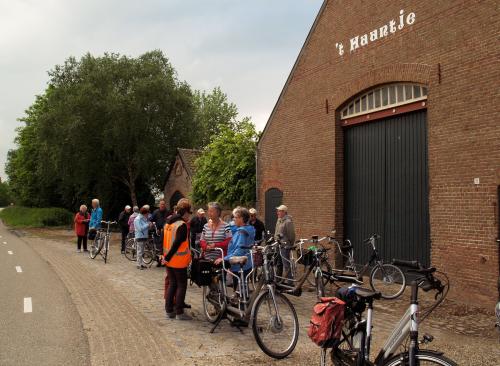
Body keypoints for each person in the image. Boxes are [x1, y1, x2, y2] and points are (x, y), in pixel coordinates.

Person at [163, 198, 193, 320]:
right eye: (189, 212)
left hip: (168, 260)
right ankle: (180, 312)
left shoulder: (168, 223)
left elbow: (164, 241)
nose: (189, 215)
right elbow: (176, 244)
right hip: (178, 261)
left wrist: (165, 257)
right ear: (185, 211)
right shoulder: (181, 225)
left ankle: (169, 310)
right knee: (181, 285)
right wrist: (168, 257)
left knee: (172, 284)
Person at [214, 207, 255, 290]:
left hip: (240, 265)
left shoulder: (242, 232)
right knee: (243, 289)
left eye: (235, 217)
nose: (234, 219)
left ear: (242, 218)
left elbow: (239, 251)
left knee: (240, 290)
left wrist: (224, 259)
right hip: (247, 263)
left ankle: (241, 301)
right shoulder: (248, 229)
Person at [274, 205, 296, 283]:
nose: (277, 212)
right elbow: (276, 232)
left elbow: (291, 235)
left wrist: (290, 244)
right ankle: (278, 279)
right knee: (279, 263)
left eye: (279, 211)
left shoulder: (288, 222)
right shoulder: (279, 220)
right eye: (278, 211)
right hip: (278, 245)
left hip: (285, 246)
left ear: (284, 212)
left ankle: (290, 281)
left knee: (286, 263)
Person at [152, 200, 171, 266]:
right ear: (159, 205)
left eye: (163, 204)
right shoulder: (155, 212)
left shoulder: (168, 212)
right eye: (161, 204)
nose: (162, 205)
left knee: (165, 248)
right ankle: (159, 262)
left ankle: (164, 261)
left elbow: (171, 221)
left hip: (166, 232)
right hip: (158, 233)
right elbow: (152, 221)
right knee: (158, 248)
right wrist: (156, 229)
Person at [134, 206, 153, 270]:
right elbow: (140, 228)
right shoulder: (138, 219)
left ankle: (141, 264)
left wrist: (149, 225)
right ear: (144, 213)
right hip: (140, 236)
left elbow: (145, 227)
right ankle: (138, 264)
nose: (148, 215)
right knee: (139, 251)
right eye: (147, 213)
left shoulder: (144, 218)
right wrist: (148, 224)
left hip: (144, 236)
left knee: (142, 252)